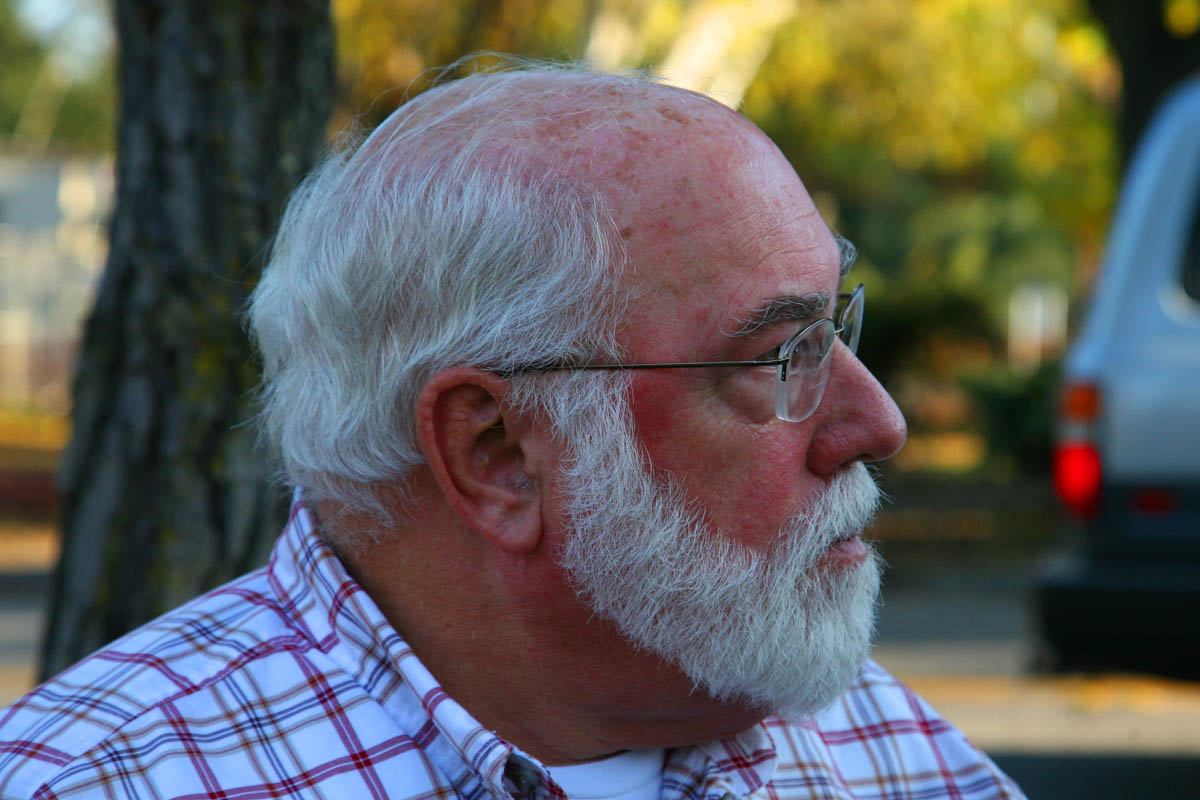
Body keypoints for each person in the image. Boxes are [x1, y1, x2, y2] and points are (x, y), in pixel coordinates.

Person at [0, 59, 1023, 799]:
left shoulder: (883, 749)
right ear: (495, 454)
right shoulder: (108, 778)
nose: (877, 422)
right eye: (776, 356)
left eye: (834, 326)